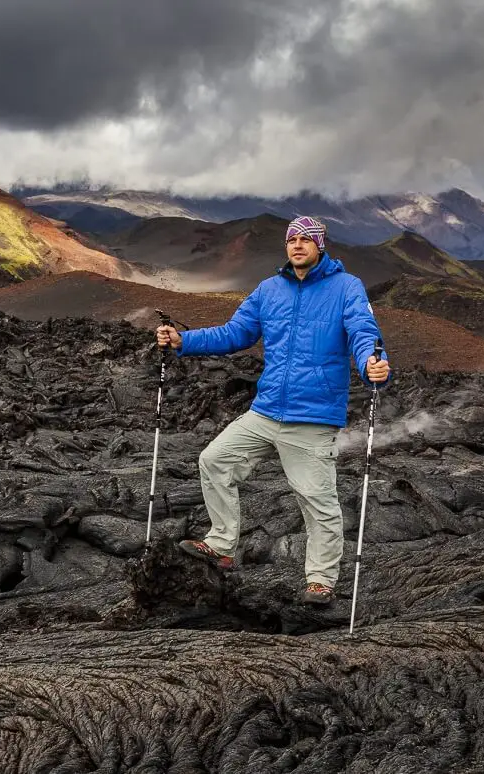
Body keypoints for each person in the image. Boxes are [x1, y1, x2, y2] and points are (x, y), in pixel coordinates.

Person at [156, 215, 391, 605]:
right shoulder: (269, 289)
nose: (298, 245)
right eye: (292, 239)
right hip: (264, 413)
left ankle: (320, 580)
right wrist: (183, 340)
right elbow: (235, 333)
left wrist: (372, 365)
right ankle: (222, 545)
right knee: (214, 460)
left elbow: (364, 333)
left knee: (317, 501)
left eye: (306, 239)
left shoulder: (346, 288)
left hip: (312, 418)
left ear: (321, 244)